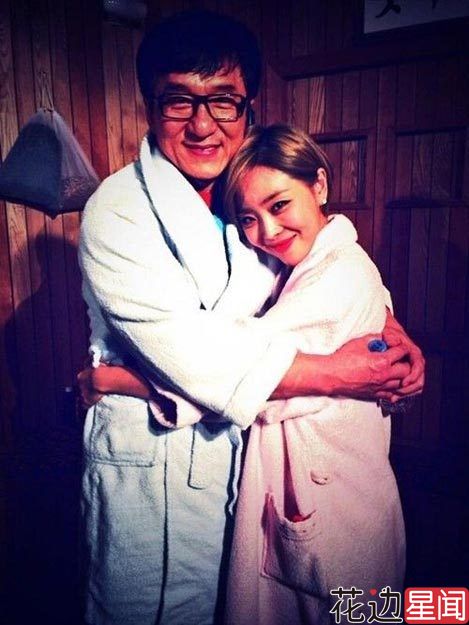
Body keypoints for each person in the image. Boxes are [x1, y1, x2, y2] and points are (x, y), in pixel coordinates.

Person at [77, 10, 423, 625]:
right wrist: (344, 371)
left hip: (261, 461)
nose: (202, 123)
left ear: (248, 107)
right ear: (150, 107)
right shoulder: (119, 211)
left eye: (223, 101)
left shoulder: (250, 190)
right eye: (178, 101)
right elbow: (202, 360)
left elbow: (322, 270)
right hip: (156, 465)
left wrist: (386, 328)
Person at [221, 124, 405, 625]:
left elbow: (233, 374)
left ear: (319, 185)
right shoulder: (323, 261)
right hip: (345, 496)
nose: (267, 231)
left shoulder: (334, 276)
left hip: (335, 507)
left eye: (279, 205)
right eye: (249, 218)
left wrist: (114, 380)